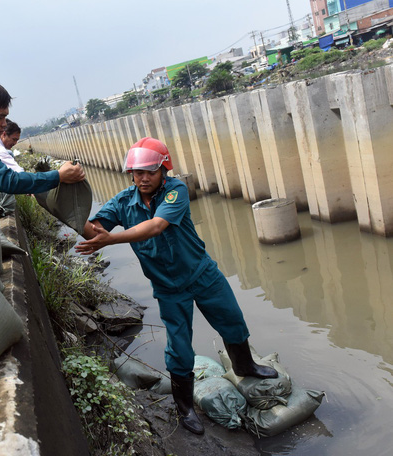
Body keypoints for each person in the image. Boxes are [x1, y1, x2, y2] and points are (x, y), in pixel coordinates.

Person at [75, 137, 277, 435]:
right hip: (168, 287)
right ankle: (185, 410)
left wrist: (110, 239)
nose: (143, 178)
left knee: (232, 321)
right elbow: (95, 228)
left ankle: (245, 366)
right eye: (137, 172)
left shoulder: (176, 191)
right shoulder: (122, 201)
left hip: (202, 274)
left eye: (150, 172)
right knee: (179, 348)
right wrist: (72, 211)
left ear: (163, 170)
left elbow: (156, 226)